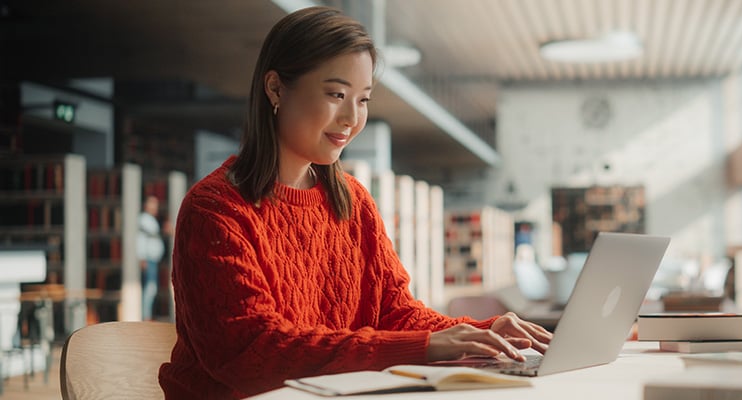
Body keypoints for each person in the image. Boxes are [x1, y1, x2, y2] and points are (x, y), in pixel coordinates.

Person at [158, 7, 551, 398]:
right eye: (336, 94)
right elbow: (252, 353)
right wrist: (429, 345)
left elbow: (395, 313)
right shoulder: (216, 209)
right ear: (276, 88)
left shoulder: (353, 201)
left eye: (363, 99)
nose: (351, 117)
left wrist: (482, 332)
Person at [137, 194, 164, 321]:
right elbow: (140, 240)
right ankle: (145, 316)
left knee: (151, 288)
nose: (155, 207)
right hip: (147, 260)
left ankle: (147, 314)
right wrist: (141, 257)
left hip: (152, 260)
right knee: (150, 288)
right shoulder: (143, 219)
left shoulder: (151, 220)